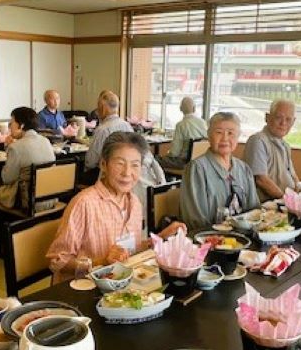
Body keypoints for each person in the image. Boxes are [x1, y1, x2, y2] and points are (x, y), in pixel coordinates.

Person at [47, 132, 184, 283]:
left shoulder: (135, 202)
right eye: (120, 163)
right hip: (86, 288)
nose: (127, 173)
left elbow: (131, 250)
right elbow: (57, 261)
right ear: (103, 164)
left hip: (122, 286)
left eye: (135, 165)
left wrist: (161, 237)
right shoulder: (84, 203)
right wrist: (101, 262)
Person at [179, 112, 259, 233]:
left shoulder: (244, 169)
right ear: (209, 135)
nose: (225, 138)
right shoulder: (197, 169)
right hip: (208, 238)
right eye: (219, 132)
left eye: (230, 133)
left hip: (243, 237)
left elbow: (254, 212)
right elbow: (196, 221)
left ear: (238, 137)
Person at [0, 107, 56, 212]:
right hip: (50, 197)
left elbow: (7, 179)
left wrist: (9, 148)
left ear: (21, 125)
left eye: (12, 123)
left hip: (28, 201)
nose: (10, 126)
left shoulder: (15, 147)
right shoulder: (46, 141)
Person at [244, 99, 300, 202]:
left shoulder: (285, 145)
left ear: (293, 122)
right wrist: (286, 200)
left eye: (288, 119)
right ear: (267, 117)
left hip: (284, 202)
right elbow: (261, 180)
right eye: (278, 117)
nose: (283, 123)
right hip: (266, 205)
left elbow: (293, 176)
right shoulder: (258, 140)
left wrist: (299, 194)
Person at [83, 91, 132, 183]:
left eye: (98, 107)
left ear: (103, 108)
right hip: (124, 172)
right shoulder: (127, 126)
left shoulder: (102, 130)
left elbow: (90, 162)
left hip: (105, 176)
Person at [160, 96, 207, 169]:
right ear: (194, 108)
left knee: (156, 160)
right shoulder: (203, 122)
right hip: (201, 161)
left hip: (184, 162)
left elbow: (174, 152)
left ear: (180, 108)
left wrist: (168, 154)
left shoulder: (180, 125)